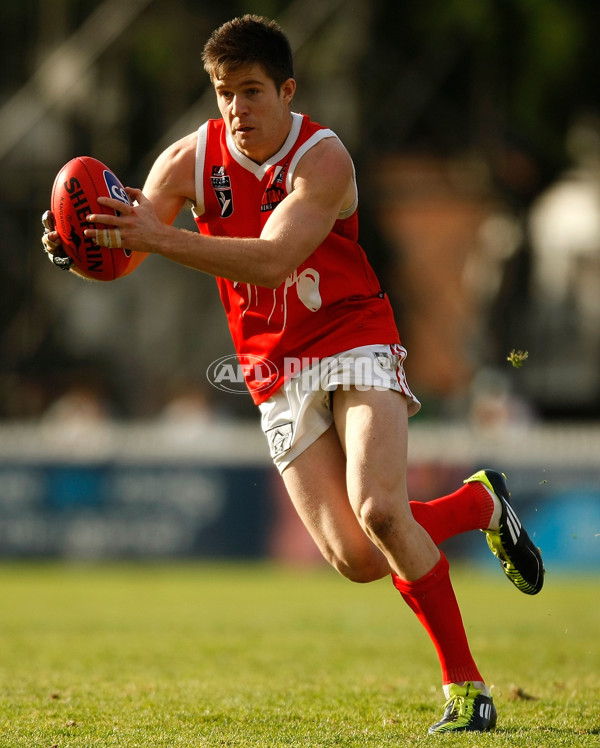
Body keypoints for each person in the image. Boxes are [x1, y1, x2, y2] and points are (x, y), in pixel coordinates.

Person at [41, 14, 544, 734]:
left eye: (251, 91)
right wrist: (81, 240)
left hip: (354, 339)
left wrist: (155, 235)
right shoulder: (186, 161)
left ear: (287, 91)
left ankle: (466, 689)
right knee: (357, 557)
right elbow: (132, 249)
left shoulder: (324, 160)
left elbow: (274, 258)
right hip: (273, 368)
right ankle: (481, 505)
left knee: (379, 509)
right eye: (224, 93)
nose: (237, 110)